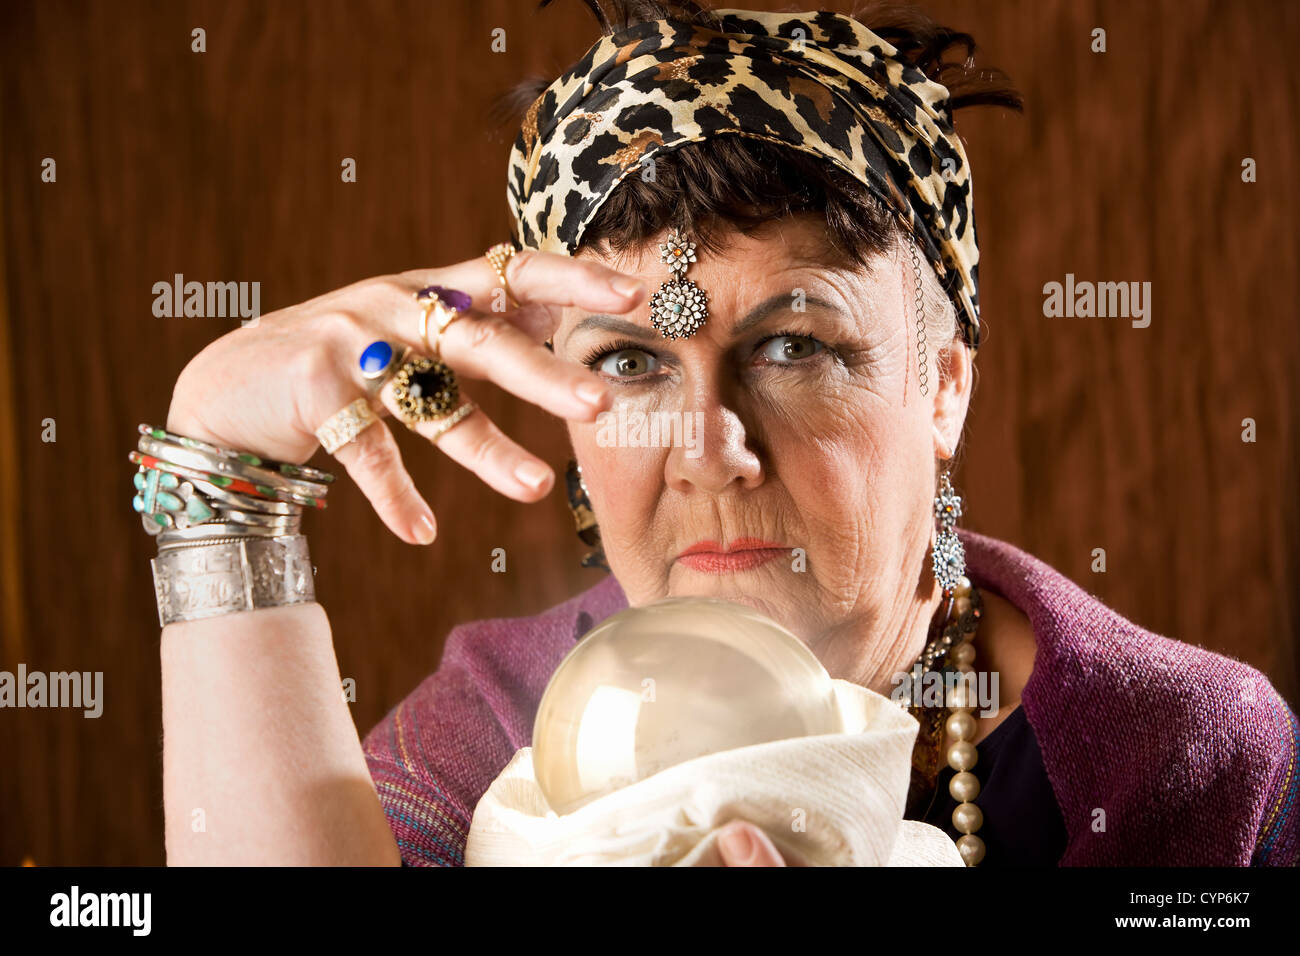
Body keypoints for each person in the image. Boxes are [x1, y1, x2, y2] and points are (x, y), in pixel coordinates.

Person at [141, 1, 1299, 866]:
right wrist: (223, 472)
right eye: (631, 360)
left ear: (941, 389)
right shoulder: (493, 726)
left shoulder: (1188, 764)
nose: (708, 447)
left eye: (795, 346)